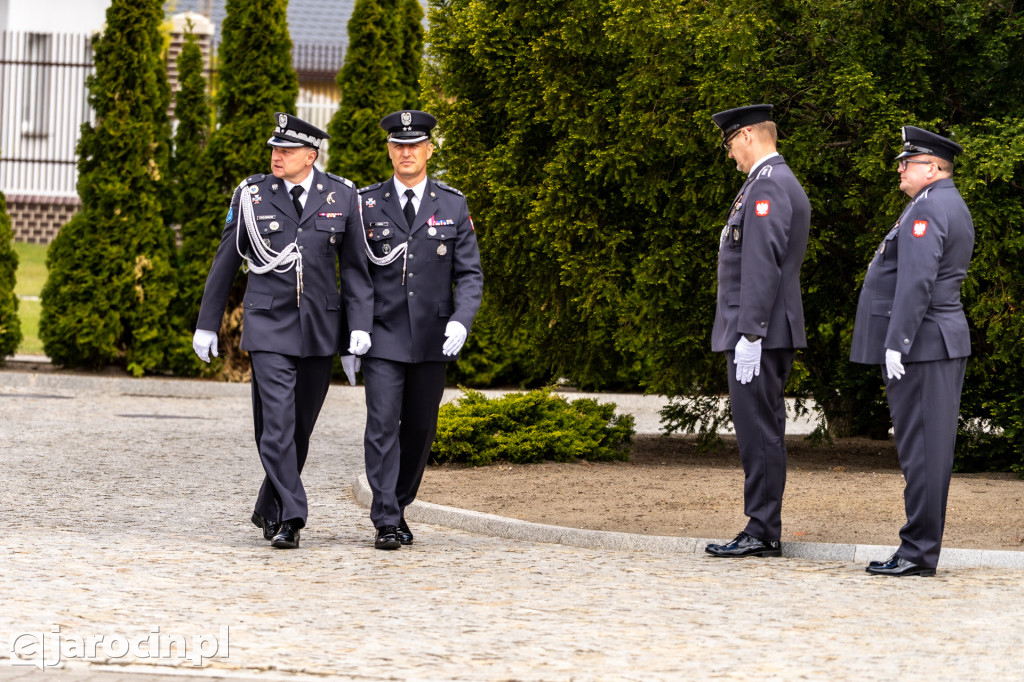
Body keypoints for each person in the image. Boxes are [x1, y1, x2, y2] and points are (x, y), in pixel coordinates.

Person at [192, 113, 373, 550]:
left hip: (318, 326)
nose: (277, 156)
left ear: (311, 156)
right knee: (275, 425)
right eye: (275, 149)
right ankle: (293, 515)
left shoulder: (343, 195)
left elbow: (355, 271)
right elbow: (226, 259)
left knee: (298, 429)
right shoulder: (251, 194)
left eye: (287, 151)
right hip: (269, 323)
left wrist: (358, 329)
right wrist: (206, 323)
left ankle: (268, 507)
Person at [350, 109, 483, 550]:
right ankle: (386, 518)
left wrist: (462, 320)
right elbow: (356, 271)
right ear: (389, 151)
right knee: (383, 424)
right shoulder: (366, 203)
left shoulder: (452, 203)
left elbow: (468, 274)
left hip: (432, 337)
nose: (406, 153)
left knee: (420, 428)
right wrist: (358, 326)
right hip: (383, 335)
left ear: (429, 150)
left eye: (414, 145)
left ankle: (400, 503)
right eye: (398, 146)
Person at [850, 125, 973, 577]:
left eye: (909, 162)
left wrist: (897, 342)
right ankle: (919, 547)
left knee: (922, 450)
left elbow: (917, 281)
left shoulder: (930, 208)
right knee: (924, 449)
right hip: (931, 341)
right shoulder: (936, 204)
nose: (900, 169)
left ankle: (917, 552)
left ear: (934, 167)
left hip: (923, 344)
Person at [704, 104, 811, 559]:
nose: (730, 155)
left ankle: (763, 529)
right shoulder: (765, 183)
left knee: (759, 431)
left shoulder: (768, 184)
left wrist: (750, 334)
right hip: (761, 330)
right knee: (758, 429)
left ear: (747, 134)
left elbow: (761, 264)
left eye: (730, 144)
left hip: (760, 334)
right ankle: (761, 525)